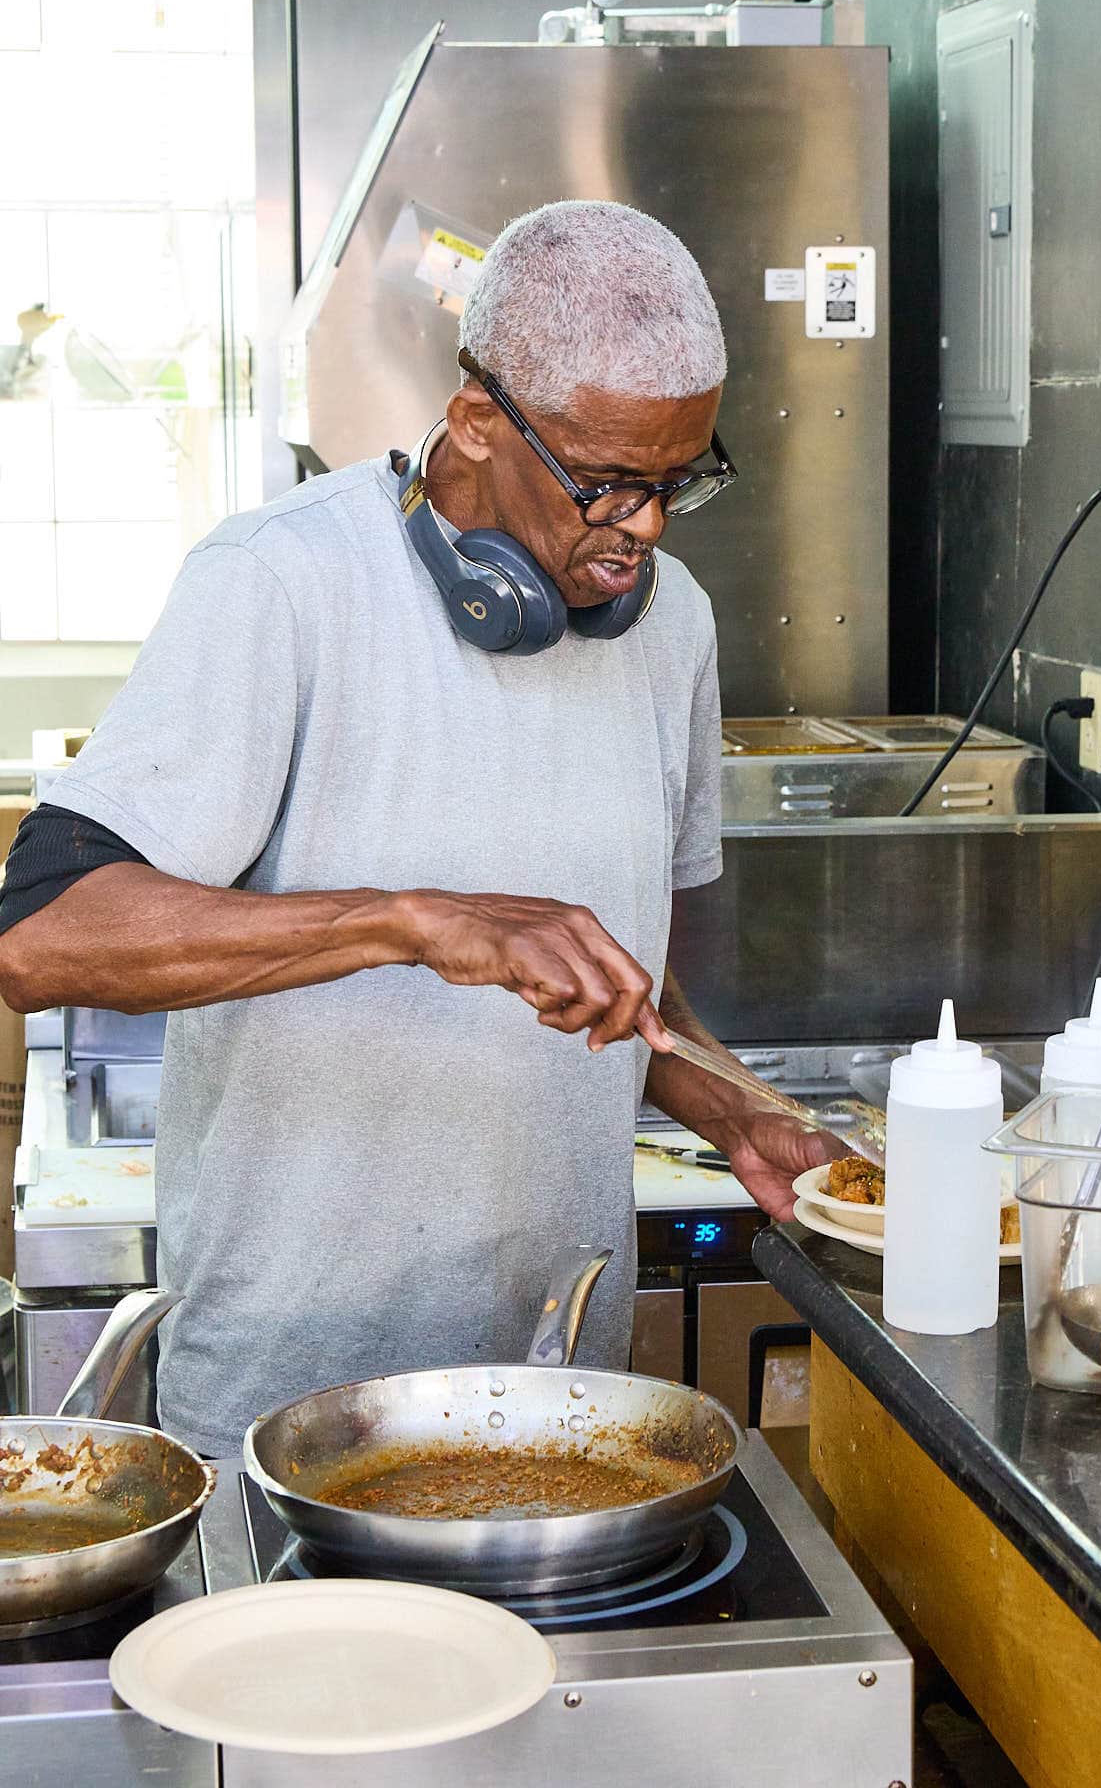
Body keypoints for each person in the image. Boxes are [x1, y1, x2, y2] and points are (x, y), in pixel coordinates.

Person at [0, 201, 837, 1457]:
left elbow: (623, 979)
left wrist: (734, 1109)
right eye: (606, 484)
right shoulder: (282, 582)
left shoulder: (673, 628)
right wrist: (414, 922)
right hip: (290, 1410)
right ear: (477, 420)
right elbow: (42, 936)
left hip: (561, 1396)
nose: (646, 528)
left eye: (677, 482)